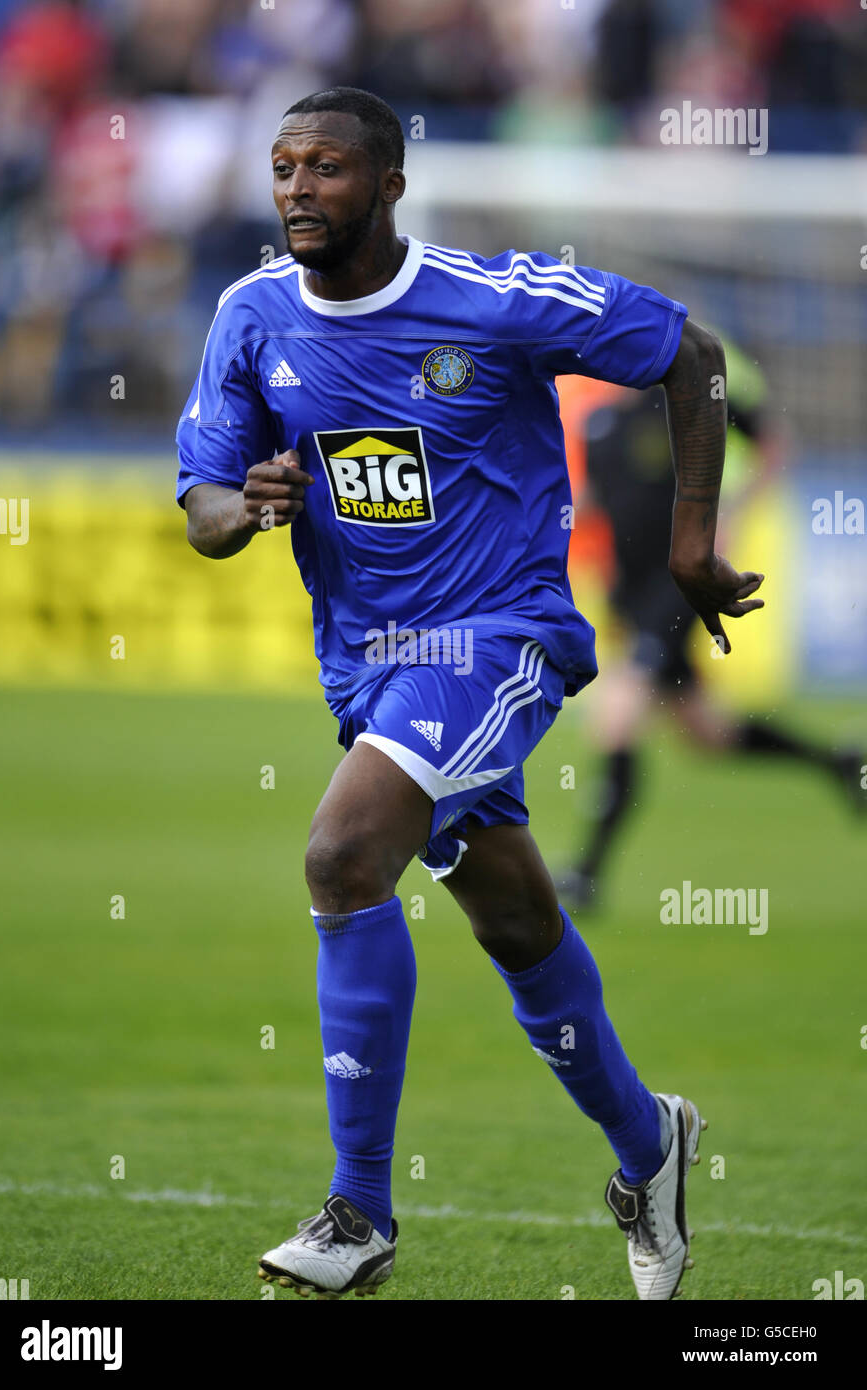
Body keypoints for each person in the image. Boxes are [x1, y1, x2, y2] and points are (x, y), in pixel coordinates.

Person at [176, 86, 763, 1301]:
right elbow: (202, 504)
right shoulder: (248, 315)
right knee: (518, 929)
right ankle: (649, 1148)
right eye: (283, 166)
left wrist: (689, 543)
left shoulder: (495, 300)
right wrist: (249, 506)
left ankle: (359, 1211)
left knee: (343, 855)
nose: (297, 187)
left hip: (501, 638)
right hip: (371, 670)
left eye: (327, 168)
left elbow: (688, 356)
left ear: (388, 184)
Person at [553, 361, 863, 910]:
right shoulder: (598, 423)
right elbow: (598, 504)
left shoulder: (681, 400)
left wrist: (735, 509)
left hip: (679, 586)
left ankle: (587, 872)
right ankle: (836, 761)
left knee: (617, 714)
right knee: (707, 735)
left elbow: (771, 441)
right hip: (632, 594)